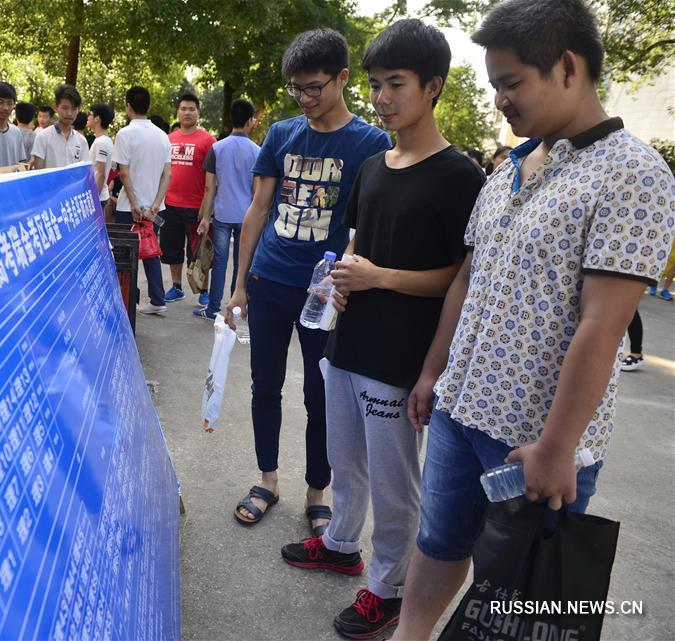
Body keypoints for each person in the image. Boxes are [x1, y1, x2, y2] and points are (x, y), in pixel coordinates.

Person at [392, 1, 675, 639]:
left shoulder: (633, 175)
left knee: (517, 595)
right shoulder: (509, 169)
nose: (499, 100)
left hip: (533, 438)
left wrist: (557, 446)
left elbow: (603, 326)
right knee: (438, 540)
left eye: (511, 82)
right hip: (462, 411)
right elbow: (468, 277)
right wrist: (433, 371)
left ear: (568, 67)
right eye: (493, 84)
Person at [278, 21, 485, 640]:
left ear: (433, 86)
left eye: (396, 83)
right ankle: (341, 544)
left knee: (397, 481)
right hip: (349, 338)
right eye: (374, 84)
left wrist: (379, 277)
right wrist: (338, 279)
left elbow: (459, 277)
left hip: (401, 356)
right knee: (346, 460)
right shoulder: (372, 166)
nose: (382, 97)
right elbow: (358, 247)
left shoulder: (460, 176)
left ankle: (388, 587)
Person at [223, 29, 392, 536]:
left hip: (324, 292)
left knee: (322, 397)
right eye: (298, 88)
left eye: (315, 86)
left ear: (342, 78)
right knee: (264, 385)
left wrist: (346, 275)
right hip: (270, 278)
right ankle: (267, 480)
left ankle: (317, 491)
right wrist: (238, 285)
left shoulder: (370, 143)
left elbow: (366, 226)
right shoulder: (280, 135)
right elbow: (258, 209)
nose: (306, 97)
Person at [194, 98, 261, 320]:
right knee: (242, 264)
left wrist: (205, 217)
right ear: (250, 121)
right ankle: (236, 307)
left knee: (220, 263)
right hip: (247, 215)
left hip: (222, 213)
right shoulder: (257, 151)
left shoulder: (216, 148)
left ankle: (213, 309)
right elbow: (256, 191)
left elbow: (208, 187)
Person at [112, 86, 172, 314]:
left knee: (124, 257)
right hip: (156, 209)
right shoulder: (162, 136)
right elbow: (168, 174)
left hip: (130, 208)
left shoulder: (124, 134)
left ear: (128, 106)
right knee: (150, 250)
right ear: (148, 106)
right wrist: (156, 204)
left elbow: (123, 173)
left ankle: (125, 300)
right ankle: (158, 299)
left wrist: (136, 205)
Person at [159, 93, 216, 307]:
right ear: (178, 112)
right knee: (172, 249)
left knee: (199, 251)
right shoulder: (168, 139)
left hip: (196, 207)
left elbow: (213, 178)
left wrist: (206, 208)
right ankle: (176, 287)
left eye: (191, 109)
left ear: (198, 112)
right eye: (183, 108)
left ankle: (204, 290)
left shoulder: (208, 141)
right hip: (170, 204)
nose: (187, 112)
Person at [30, 84, 89, 170]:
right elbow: (39, 174)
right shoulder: (43, 137)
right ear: (56, 107)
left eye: (73, 109)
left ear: (78, 110)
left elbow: (83, 173)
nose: (69, 113)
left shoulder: (81, 141)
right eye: (65, 108)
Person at [87, 103, 115, 210]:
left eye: (90, 114)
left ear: (97, 118)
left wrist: (94, 199)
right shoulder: (105, 140)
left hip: (98, 195)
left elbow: (100, 173)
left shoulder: (101, 142)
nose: (88, 117)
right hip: (100, 194)